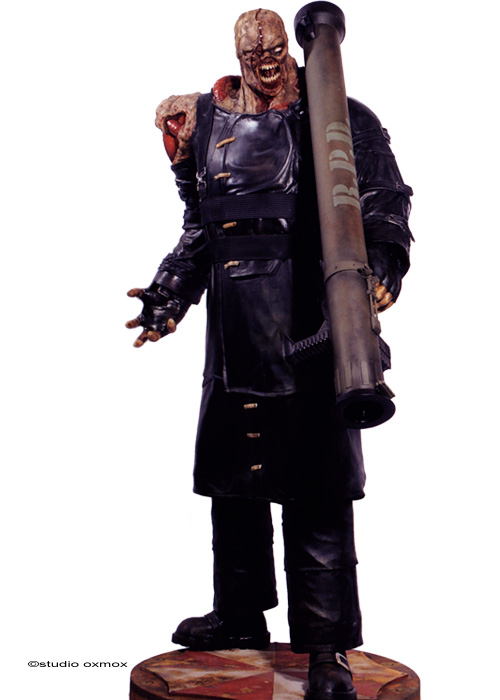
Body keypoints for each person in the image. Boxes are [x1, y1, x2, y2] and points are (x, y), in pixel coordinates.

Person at [126, 9, 412, 700]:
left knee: (317, 490)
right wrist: (169, 293)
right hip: (234, 330)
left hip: (311, 320)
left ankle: (327, 648)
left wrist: (381, 267)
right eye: (252, 50)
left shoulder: (340, 117)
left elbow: (381, 203)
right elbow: (203, 226)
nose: (265, 58)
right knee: (234, 483)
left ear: (288, 47)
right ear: (237, 53)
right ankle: (239, 613)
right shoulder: (205, 123)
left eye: (275, 47)